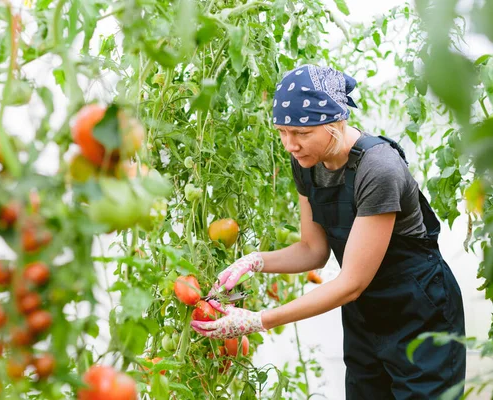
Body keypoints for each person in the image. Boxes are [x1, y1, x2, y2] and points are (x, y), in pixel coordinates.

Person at [191, 64, 466, 399]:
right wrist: (253, 261)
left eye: (302, 134)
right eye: (282, 132)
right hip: (366, 317)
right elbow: (313, 250)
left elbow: (351, 282)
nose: (290, 144)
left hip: (420, 313)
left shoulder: (378, 169)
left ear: (335, 122)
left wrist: (259, 320)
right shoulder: (306, 163)